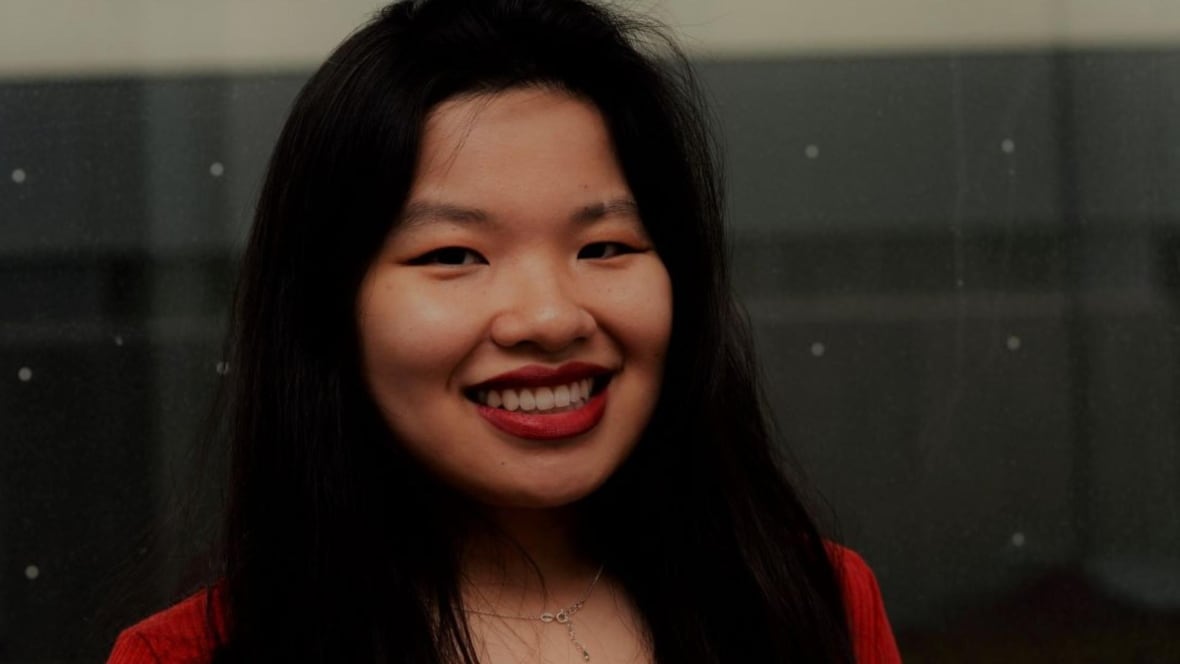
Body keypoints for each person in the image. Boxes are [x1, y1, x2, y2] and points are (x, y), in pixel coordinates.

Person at [108, 0, 901, 662]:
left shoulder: (814, 608)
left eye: (605, 247)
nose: (551, 318)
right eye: (454, 255)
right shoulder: (190, 658)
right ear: (328, 305)